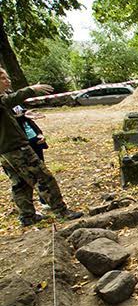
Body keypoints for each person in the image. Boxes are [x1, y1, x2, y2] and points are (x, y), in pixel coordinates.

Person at [0, 68, 82, 226]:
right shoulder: (2, 99)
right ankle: (61, 211)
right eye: (3, 78)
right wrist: (31, 90)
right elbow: (9, 101)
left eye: (7, 77)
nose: (8, 81)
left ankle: (27, 217)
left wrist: (22, 115)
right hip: (15, 148)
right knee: (44, 178)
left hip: (7, 150)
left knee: (20, 183)